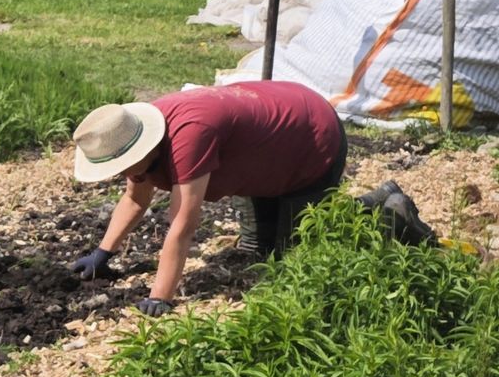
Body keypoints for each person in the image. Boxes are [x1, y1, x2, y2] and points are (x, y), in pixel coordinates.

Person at [67, 80, 433, 316]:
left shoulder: (187, 136)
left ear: (139, 147)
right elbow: (135, 198)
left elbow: (182, 223)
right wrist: (104, 254)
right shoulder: (140, 137)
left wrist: (160, 296)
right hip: (265, 155)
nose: (121, 174)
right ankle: (355, 207)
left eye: (122, 166)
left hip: (309, 138)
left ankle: (386, 210)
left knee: (299, 255)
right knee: (261, 252)